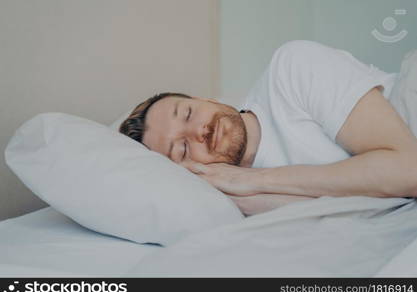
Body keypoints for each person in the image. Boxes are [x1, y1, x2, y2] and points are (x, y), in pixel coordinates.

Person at [119, 40, 417, 216]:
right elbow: (369, 204)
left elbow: (408, 171)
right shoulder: (234, 195)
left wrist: (258, 179)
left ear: (205, 99)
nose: (200, 132)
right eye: (182, 148)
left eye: (187, 113)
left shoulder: (291, 68)